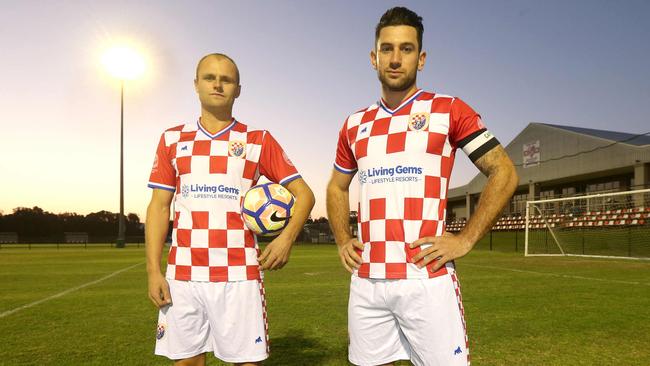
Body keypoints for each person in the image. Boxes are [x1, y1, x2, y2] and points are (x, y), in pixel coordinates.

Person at [326, 7, 518, 366]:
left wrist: (465, 239)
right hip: (368, 279)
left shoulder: (449, 110)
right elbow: (337, 187)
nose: (395, 59)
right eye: (387, 49)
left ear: (422, 57)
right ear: (373, 57)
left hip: (426, 277)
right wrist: (341, 238)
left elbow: (504, 172)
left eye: (407, 49)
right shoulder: (354, 124)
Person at [146, 53, 315, 366]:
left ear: (238, 89)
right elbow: (158, 207)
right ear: (196, 85)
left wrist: (285, 238)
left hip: (239, 274)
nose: (218, 84)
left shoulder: (257, 140)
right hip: (183, 275)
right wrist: (154, 270)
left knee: (246, 363)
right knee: (186, 362)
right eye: (210, 77)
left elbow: (304, 195)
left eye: (227, 79)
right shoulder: (172, 139)